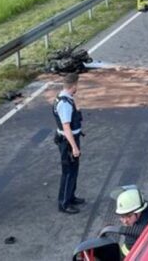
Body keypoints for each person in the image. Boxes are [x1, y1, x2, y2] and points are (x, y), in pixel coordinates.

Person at [53, 73, 85, 214]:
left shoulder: (66, 98)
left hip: (70, 139)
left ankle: (70, 196)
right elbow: (66, 127)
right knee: (68, 172)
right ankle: (64, 203)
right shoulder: (64, 104)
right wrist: (74, 147)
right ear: (74, 85)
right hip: (68, 142)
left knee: (73, 170)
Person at [112, 185, 148, 258]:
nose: (124, 221)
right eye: (122, 216)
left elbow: (126, 257)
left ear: (138, 212)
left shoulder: (132, 237)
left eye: (128, 216)